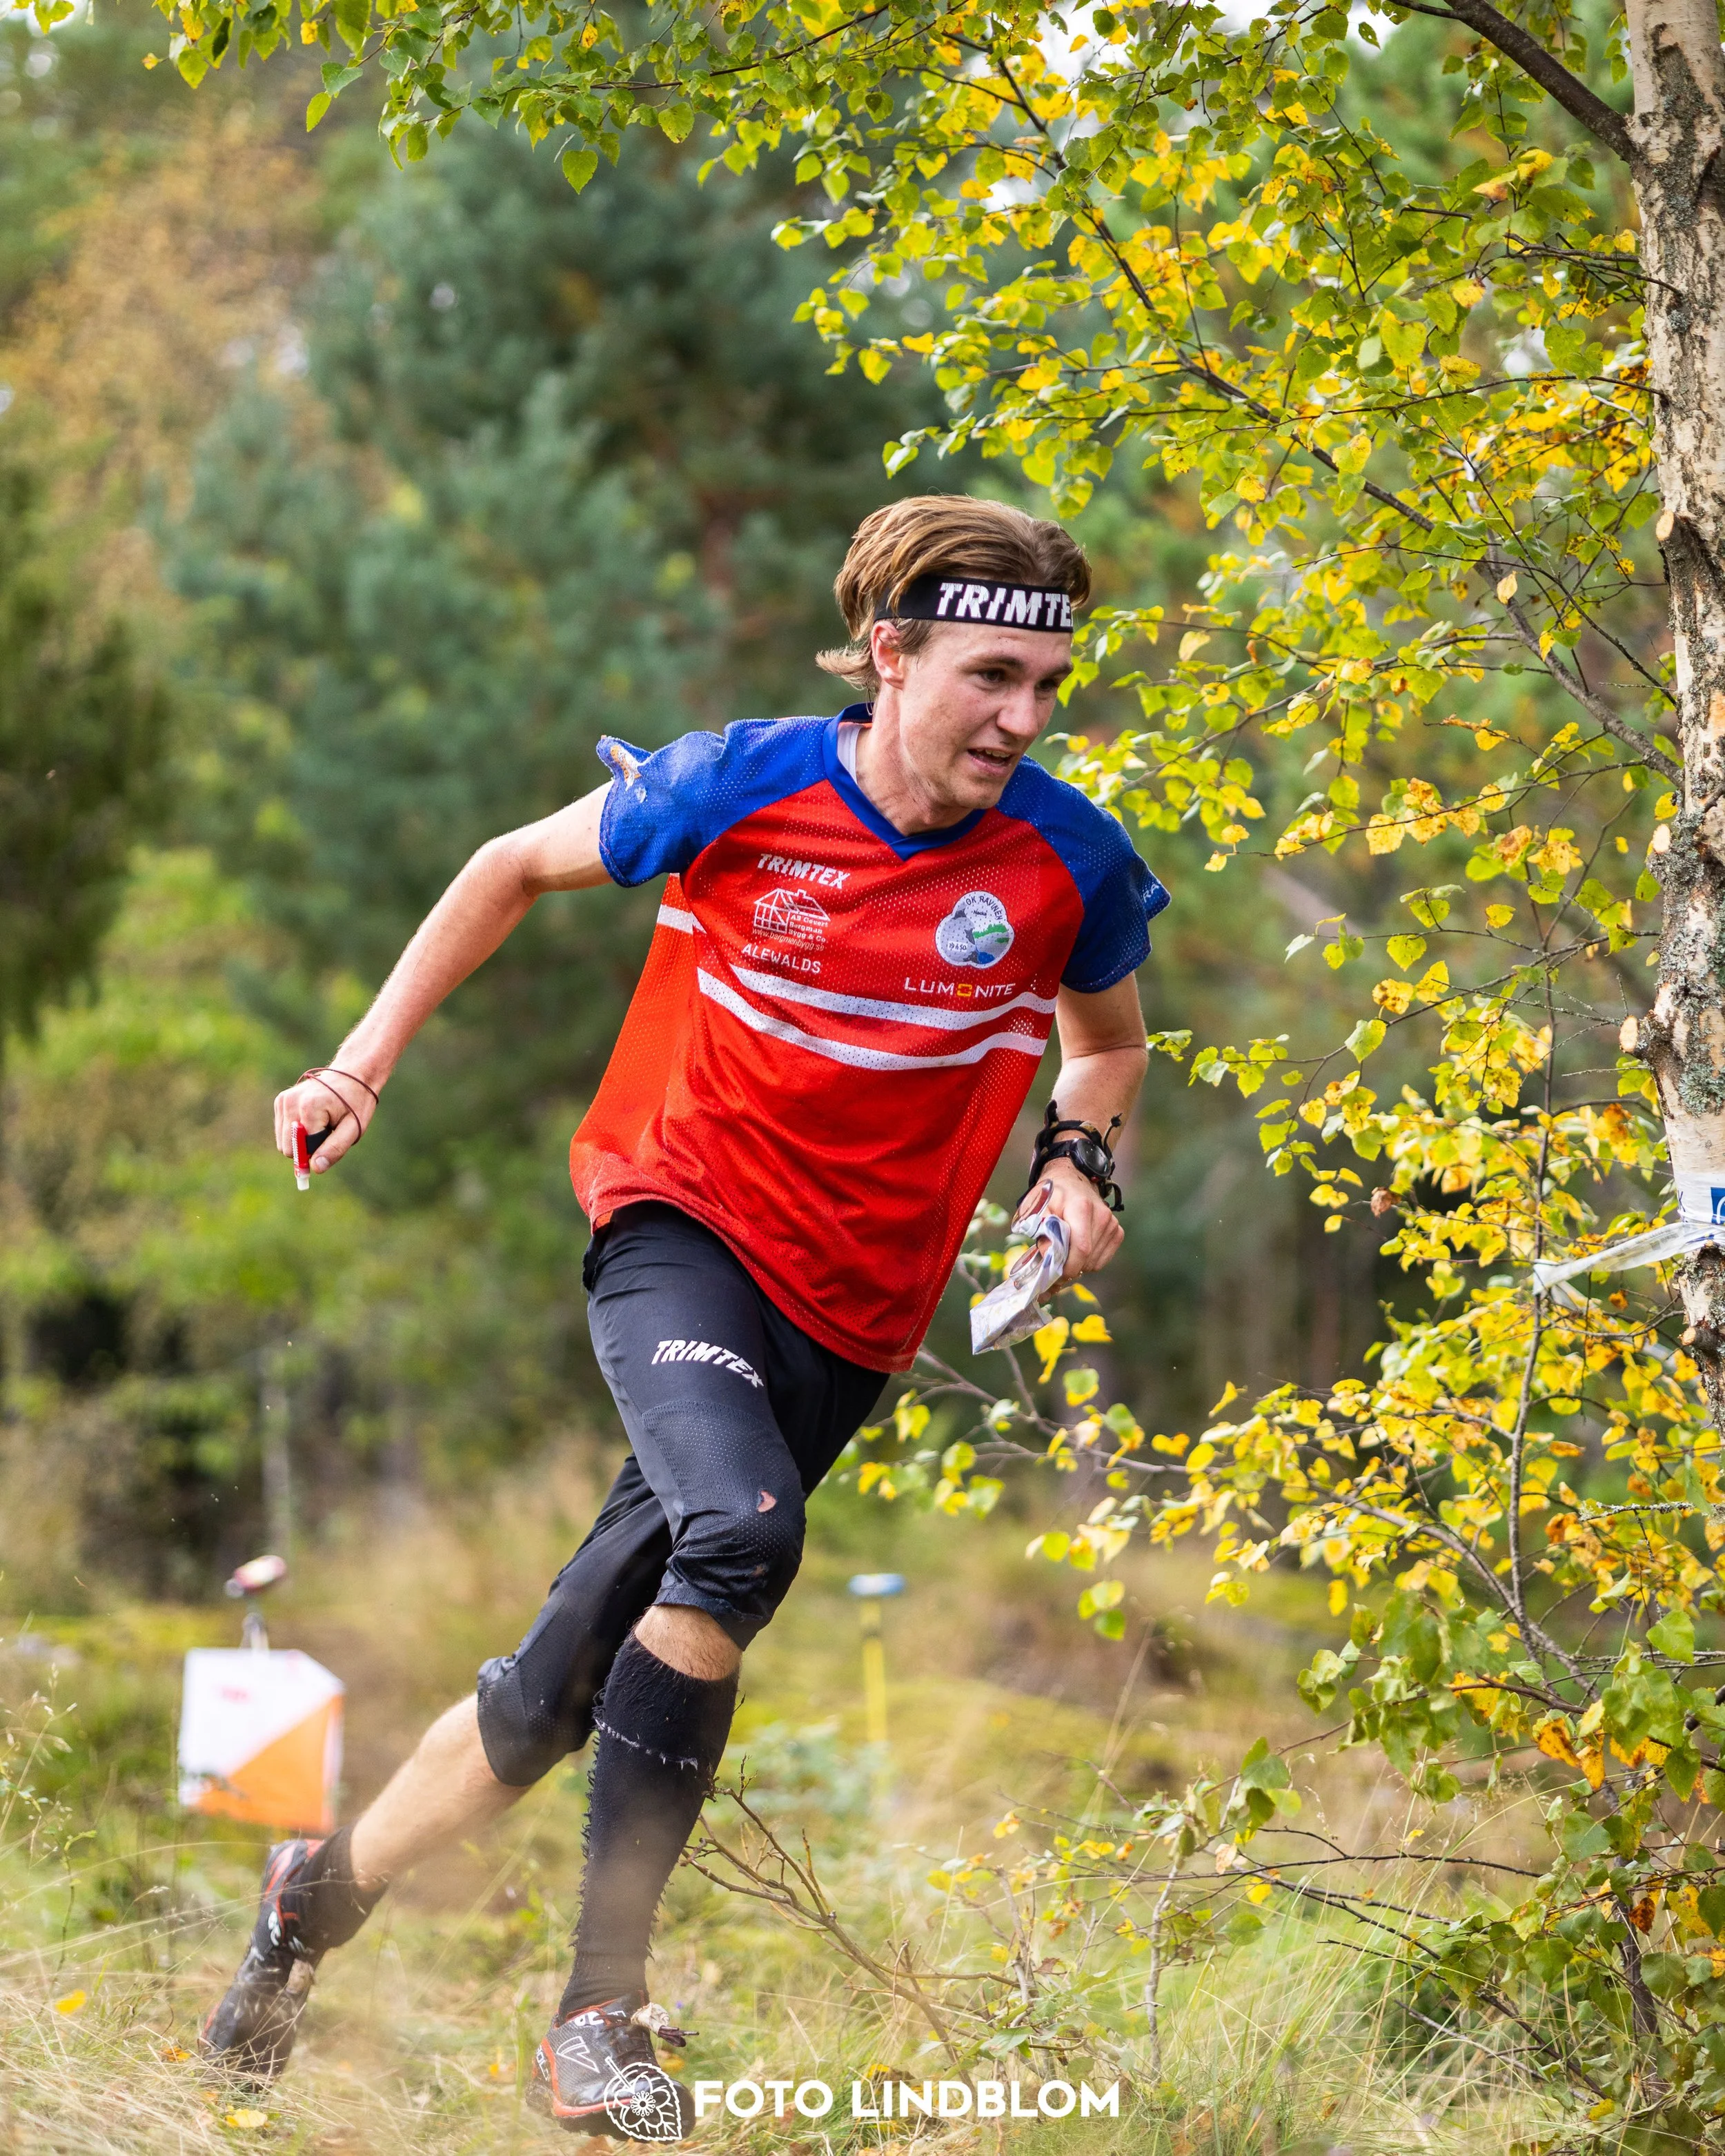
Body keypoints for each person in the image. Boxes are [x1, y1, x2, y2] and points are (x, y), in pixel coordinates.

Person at [199, 493, 1168, 2137]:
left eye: (1046, 687)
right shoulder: (738, 780)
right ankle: (601, 2013)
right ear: (891, 654)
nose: (1021, 716)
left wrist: (1080, 1169)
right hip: (681, 1229)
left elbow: (1108, 1043)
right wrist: (358, 1063)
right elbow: (506, 863)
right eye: (989, 675)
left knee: (546, 1699)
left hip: (855, 1314)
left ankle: (310, 1900)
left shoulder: (1066, 858)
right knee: (739, 1533)